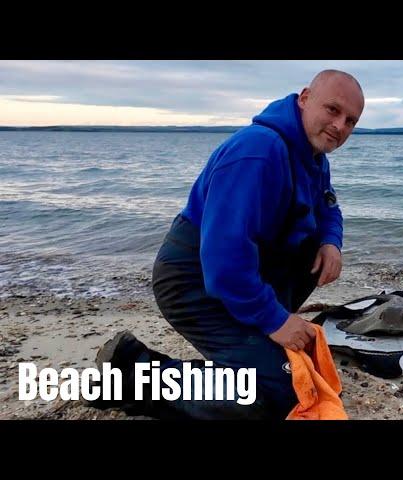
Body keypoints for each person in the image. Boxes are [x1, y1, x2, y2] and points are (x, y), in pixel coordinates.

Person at [89, 70, 365, 419]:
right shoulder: (259, 152)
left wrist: (330, 241)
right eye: (333, 110)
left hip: (238, 274)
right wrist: (275, 320)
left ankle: (253, 343)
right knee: (278, 392)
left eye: (351, 121)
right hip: (193, 280)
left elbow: (328, 206)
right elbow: (223, 260)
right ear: (305, 98)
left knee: (310, 247)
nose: (340, 126)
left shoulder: (312, 156)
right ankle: (131, 372)